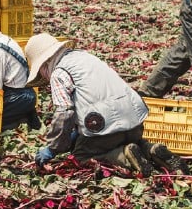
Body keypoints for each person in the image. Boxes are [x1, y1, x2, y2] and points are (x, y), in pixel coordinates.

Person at [25, 32, 183, 175]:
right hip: (135, 122)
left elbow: (64, 113)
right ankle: (150, 149)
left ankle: (123, 156)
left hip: (105, 129)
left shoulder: (59, 74)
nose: (44, 77)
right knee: (130, 140)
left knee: (81, 156)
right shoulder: (84, 57)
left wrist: (52, 148)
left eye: (41, 72)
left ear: (44, 64)